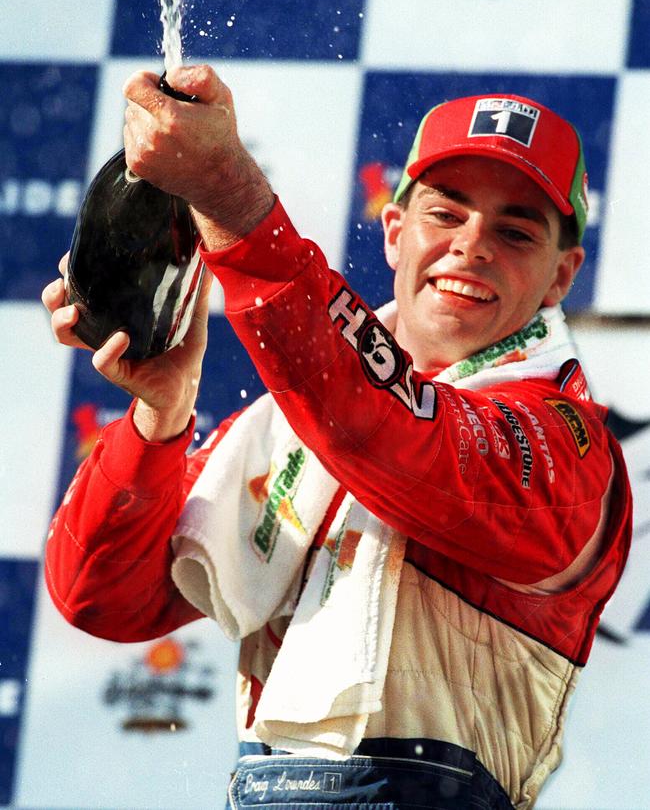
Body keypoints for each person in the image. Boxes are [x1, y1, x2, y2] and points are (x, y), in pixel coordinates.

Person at [42, 66, 632, 810]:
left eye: (515, 231)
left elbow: (392, 428)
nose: (473, 244)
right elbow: (101, 595)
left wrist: (232, 196)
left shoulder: (566, 443)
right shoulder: (293, 428)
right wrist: (160, 416)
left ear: (561, 276)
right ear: (394, 230)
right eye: (445, 213)